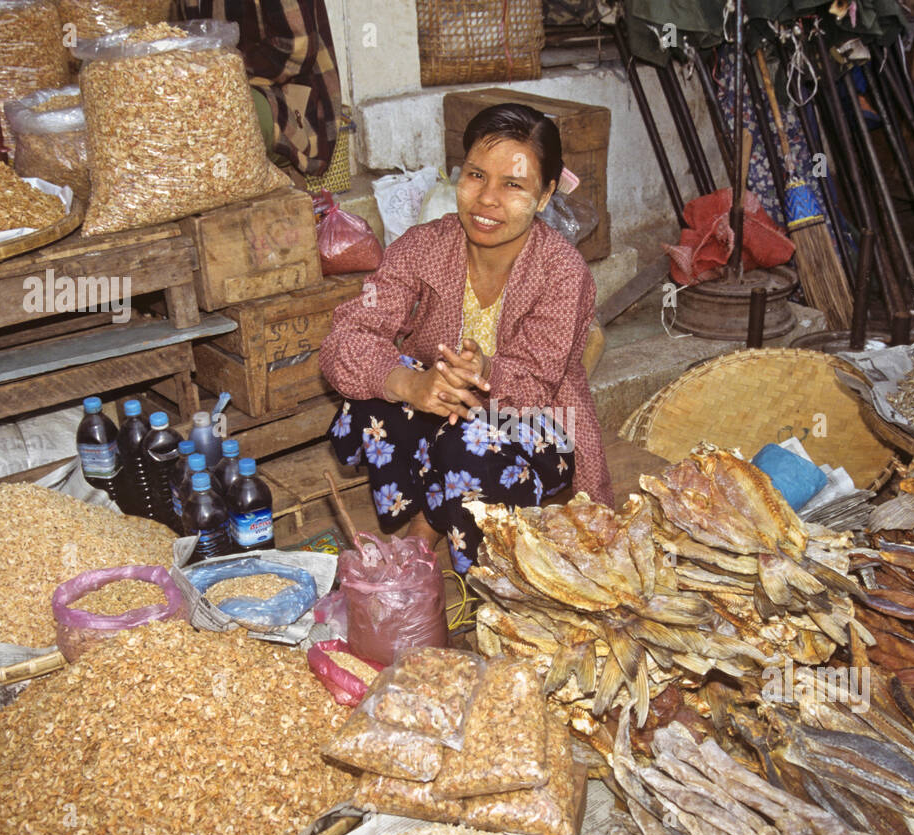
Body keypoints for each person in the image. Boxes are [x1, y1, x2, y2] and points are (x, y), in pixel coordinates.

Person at [320, 102, 612, 574]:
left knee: (469, 448)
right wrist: (408, 384)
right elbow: (346, 338)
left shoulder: (562, 272)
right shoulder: (421, 247)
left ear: (544, 195)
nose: (487, 199)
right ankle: (431, 511)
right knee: (370, 401)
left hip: (536, 419)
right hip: (442, 406)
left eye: (513, 184)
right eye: (476, 175)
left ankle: (459, 551)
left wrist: (485, 371)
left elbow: (537, 384)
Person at [178, 0, 340, 176]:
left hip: (286, 97)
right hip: (222, 85)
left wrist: (223, 68)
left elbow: (297, 48)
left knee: (217, 122)